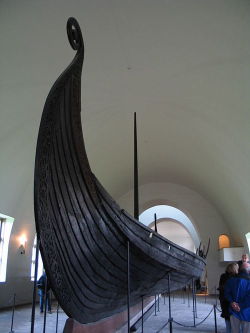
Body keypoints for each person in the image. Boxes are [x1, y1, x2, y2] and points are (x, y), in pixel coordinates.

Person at [224, 262, 250, 333]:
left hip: (233, 310)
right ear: (248, 270)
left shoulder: (230, 281)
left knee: (234, 331)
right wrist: (240, 305)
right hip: (247, 312)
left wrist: (232, 303)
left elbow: (226, 294)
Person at [218, 263, 239, 333]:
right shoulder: (236, 277)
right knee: (236, 325)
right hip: (231, 302)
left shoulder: (223, 276)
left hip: (225, 301)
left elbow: (221, 289)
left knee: (228, 323)